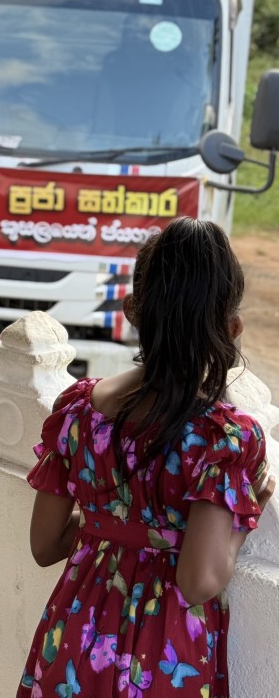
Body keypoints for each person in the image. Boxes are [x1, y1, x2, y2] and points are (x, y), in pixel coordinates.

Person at [17, 217, 275, 698]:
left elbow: (44, 545)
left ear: (132, 311)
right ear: (232, 328)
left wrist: (111, 523)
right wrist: (243, 522)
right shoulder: (222, 439)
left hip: (74, 640)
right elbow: (198, 580)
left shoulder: (79, 411)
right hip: (162, 658)